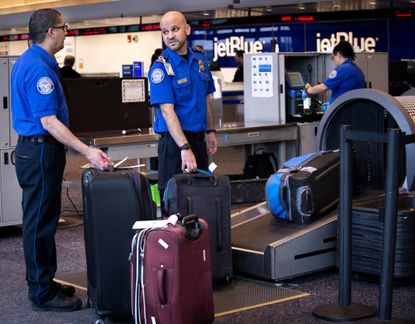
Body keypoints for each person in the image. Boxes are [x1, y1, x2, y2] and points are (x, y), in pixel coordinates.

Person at [11, 8, 111, 312]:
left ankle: (44, 281)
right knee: (40, 223)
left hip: (35, 151)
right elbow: (49, 122)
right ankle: (41, 292)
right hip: (40, 152)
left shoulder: (29, 60)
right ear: (52, 32)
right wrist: (87, 150)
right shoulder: (40, 68)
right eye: (65, 28)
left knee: (43, 220)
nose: (67, 32)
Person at [148, 11, 217, 215]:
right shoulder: (161, 68)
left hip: (197, 141)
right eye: (165, 32)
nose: (169, 35)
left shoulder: (199, 60)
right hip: (174, 145)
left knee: (201, 197)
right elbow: (168, 112)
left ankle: (201, 246)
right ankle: (175, 246)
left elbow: (206, 98)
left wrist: (211, 130)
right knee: (175, 201)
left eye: (174, 29)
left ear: (186, 30)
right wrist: (184, 147)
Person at [305, 40, 365, 105]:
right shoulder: (357, 70)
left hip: (343, 110)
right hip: (353, 108)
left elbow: (323, 88)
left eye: (333, 57)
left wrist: (308, 90)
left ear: (339, 55)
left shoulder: (341, 70)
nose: (334, 60)